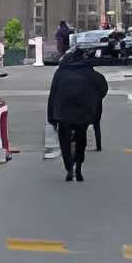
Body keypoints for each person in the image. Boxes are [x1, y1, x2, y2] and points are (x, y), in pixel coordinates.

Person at [45, 42, 106, 183]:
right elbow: (102, 87)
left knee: (64, 140)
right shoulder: (88, 71)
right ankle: (78, 165)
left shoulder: (61, 72)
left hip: (63, 111)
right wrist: (94, 102)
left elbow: (53, 94)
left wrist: (51, 117)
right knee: (81, 139)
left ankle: (69, 168)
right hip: (82, 111)